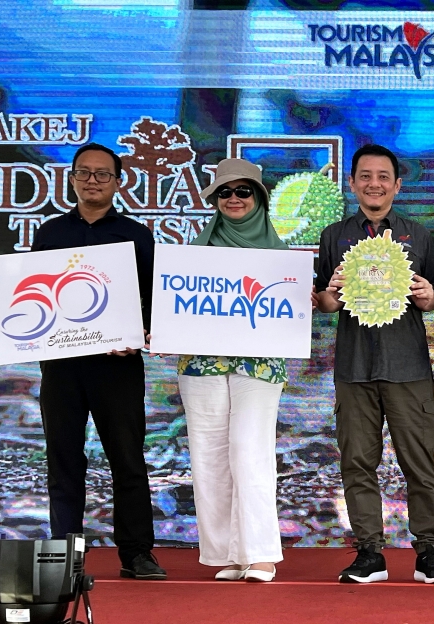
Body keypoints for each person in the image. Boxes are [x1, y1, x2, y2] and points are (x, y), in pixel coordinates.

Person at [0, 143, 165, 580]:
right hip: (62, 367)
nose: (93, 180)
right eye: (85, 173)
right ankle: (66, 559)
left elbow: (154, 300)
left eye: (102, 174)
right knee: (64, 462)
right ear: (72, 179)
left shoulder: (136, 234)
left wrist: (138, 335)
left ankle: (137, 554)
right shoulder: (50, 233)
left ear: (119, 181)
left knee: (128, 459)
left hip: (118, 367)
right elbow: (26, 291)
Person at [314, 144, 434, 584]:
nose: (374, 184)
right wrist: (329, 297)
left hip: (408, 366)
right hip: (354, 368)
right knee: (357, 460)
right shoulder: (335, 236)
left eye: (383, 176)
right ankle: (369, 552)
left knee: (420, 462)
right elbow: (322, 301)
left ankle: (429, 552)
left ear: (397, 184)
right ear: (352, 182)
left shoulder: (419, 234)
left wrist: (429, 297)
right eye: (365, 176)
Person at [174, 158, 290, 582]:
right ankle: (228, 554)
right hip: (200, 363)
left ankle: (259, 554)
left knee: (249, 451)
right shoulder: (194, 249)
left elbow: (290, 306)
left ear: (258, 197)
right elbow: (176, 302)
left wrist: (303, 304)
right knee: (208, 456)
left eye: (243, 191)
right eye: (225, 192)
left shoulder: (280, 255)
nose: (234, 198)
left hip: (259, 363)